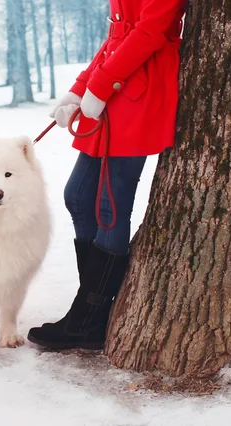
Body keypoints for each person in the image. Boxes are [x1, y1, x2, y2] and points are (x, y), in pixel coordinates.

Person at [27, 0, 188, 350]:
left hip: (140, 87)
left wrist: (99, 85)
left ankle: (88, 319)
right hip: (117, 82)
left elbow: (148, 33)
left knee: (109, 207)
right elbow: (117, 35)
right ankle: (89, 312)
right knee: (78, 197)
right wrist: (80, 87)